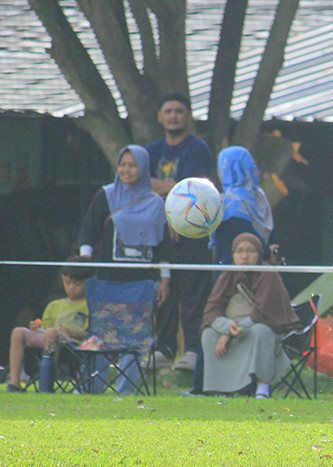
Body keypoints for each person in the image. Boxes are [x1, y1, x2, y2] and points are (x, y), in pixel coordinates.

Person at [78, 145, 172, 394]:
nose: (126, 170)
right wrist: (85, 260)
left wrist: (165, 278)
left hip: (142, 283)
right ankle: (92, 388)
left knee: (135, 338)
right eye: (123, 165)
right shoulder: (106, 196)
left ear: (143, 168)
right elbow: (89, 230)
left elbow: (163, 247)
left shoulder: (156, 203)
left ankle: (127, 391)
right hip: (108, 280)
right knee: (101, 334)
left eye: (132, 165)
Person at [146, 92, 214, 372]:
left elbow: (195, 188)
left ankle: (194, 351)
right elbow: (140, 184)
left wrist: (175, 209)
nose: (174, 115)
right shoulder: (151, 151)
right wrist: (175, 186)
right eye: (168, 111)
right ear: (160, 117)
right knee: (164, 290)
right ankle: (164, 349)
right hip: (157, 232)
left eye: (179, 111)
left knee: (193, 291)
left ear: (188, 116)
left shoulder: (198, 149)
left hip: (191, 230)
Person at [200, 233, 299, 398]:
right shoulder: (228, 274)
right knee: (209, 334)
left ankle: (262, 387)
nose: (244, 256)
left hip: (260, 327)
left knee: (260, 331)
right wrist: (225, 328)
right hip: (232, 328)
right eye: (239, 251)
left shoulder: (268, 275)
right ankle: (221, 389)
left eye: (250, 251)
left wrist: (234, 330)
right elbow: (212, 309)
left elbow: (264, 312)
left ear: (259, 253)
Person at [6, 259, 93, 393]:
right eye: (67, 283)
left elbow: (95, 335)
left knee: (52, 332)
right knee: (18, 332)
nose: (71, 288)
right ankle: (14, 383)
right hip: (49, 340)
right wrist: (36, 329)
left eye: (77, 284)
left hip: (72, 345)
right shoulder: (54, 305)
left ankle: (46, 382)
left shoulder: (91, 306)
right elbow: (45, 329)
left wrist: (72, 333)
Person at [214, 146, 279, 266]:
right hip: (238, 269)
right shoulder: (257, 197)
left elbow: (247, 232)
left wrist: (268, 253)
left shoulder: (230, 200)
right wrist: (270, 252)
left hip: (238, 268)